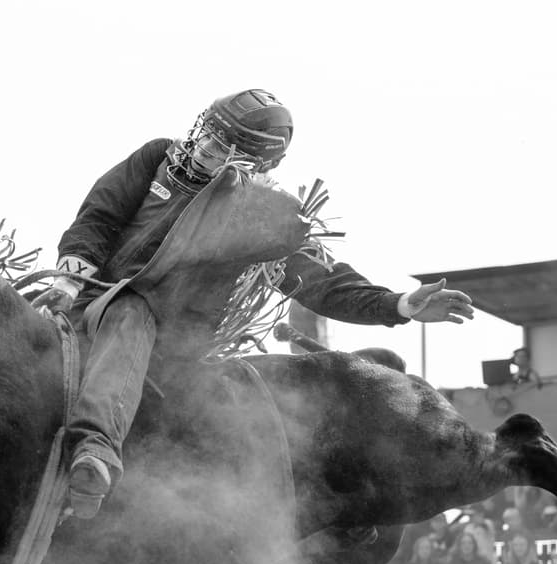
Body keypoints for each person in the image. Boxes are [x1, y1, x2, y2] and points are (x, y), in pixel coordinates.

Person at [32, 88, 474, 518]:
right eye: (205, 132)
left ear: (252, 162)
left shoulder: (264, 218)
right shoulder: (156, 158)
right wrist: (69, 283)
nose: (203, 146)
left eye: (220, 144)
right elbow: (97, 217)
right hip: (86, 298)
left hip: (166, 338)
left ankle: (94, 451)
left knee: (132, 309)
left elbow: (321, 282)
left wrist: (397, 304)